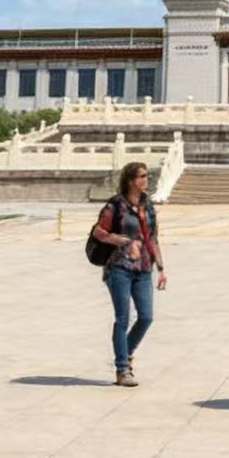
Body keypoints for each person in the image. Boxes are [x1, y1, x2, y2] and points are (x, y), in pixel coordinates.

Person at [92, 160, 166, 387]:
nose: (146, 180)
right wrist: (122, 241)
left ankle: (126, 351)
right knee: (123, 318)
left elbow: (152, 237)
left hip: (143, 268)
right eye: (142, 176)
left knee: (146, 317)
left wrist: (161, 268)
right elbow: (98, 231)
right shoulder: (116, 205)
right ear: (131, 180)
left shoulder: (148, 205)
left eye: (146, 176)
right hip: (120, 268)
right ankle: (122, 369)